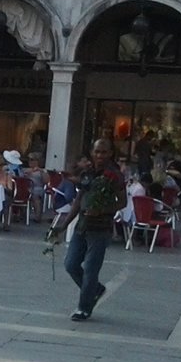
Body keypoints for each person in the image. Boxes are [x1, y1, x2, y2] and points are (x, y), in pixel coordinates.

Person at [53, 138, 126, 322]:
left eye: (103, 152)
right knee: (70, 264)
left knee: (91, 270)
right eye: (96, 152)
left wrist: (101, 210)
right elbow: (78, 200)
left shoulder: (114, 175)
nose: (99, 155)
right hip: (82, 225)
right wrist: (63, 225)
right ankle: (95, 290)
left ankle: (84, 308)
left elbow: (122, 202)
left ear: (110, 153)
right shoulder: (87, 173)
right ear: (92, 153)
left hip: (100, 229)